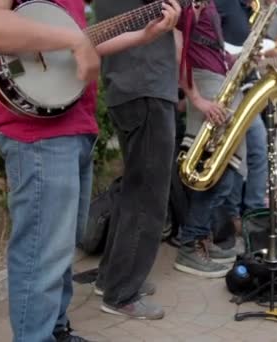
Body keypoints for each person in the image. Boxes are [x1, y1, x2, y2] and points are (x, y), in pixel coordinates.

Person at [0, 0, 181, 340]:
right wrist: (73, 40)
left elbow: (83, 38)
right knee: (41, 253)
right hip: (37, 132)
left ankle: (56, 329)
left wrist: (144, 35)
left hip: (73, 123)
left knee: (60, 249)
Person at [92, 0, 183, 321]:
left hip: (130, 85)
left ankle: (111, 279)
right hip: (145, 85)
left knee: (134, 191)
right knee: (148, 196)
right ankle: (121, 294)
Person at [216, 0, 277, 218]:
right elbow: (217, 43)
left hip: (252, 86)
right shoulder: (227, 6)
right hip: (231, 89)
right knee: (246, 156)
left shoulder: (250, 11)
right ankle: (237, 214)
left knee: (259, 150)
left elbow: (257, 58)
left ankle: (254, 212)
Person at [172, 0, 243, 279]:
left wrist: (227, 59)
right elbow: (178, 50)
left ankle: (199, 238)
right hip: (204, 86)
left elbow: (202, 43)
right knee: (212, 174)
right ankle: (190, 243)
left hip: (215, 81)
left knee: (221, 174)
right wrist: (197, 99)